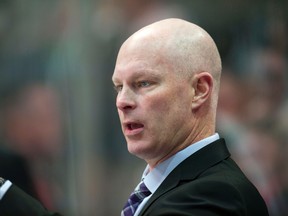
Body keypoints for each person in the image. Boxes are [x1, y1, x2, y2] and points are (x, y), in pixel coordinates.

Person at [112, 18, 269, 215]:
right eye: (119, 86)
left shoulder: (213, 197)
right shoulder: (167, 188)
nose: (122, 101)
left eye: (143, 83)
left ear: (199, 90)